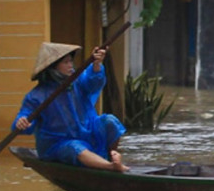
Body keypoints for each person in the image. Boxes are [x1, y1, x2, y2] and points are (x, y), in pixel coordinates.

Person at [14, 42, 128, 172]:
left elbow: (94, 82)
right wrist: (22, 122)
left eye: (71, 62)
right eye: (66, 63)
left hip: (86, 132)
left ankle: (110, 158)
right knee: (75, 147)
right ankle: (110, 167)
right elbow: (25, 120)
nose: (71, 66)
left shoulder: (76, 81)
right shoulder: (36, 95)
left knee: (110, 121)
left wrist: (96, 65)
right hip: (58, 143)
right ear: (53, 67)